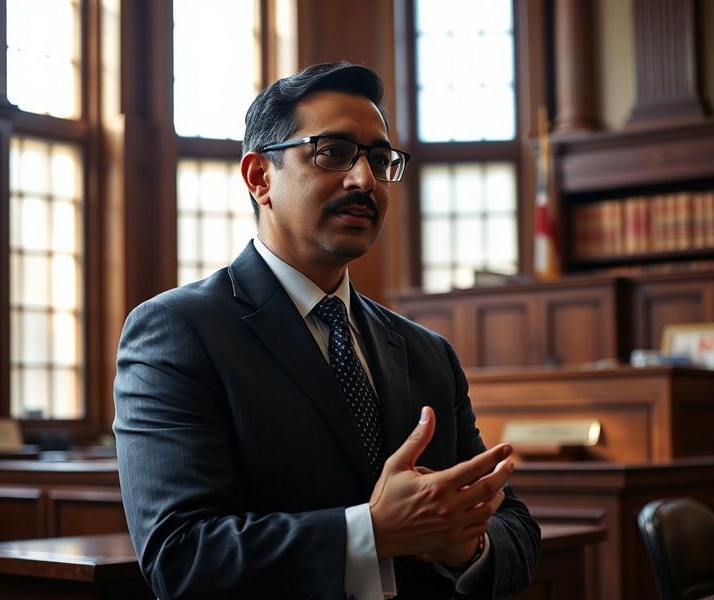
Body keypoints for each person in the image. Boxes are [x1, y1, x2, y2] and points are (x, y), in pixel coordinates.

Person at [113, 61, 540, 600]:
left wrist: (460, 547)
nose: (365, 180)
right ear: (259, 177)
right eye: (333, 152)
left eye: (380, 160)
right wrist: (374, 532)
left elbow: (517, 532)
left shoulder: (427, 352)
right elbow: (182, 556)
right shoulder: (177, 330)